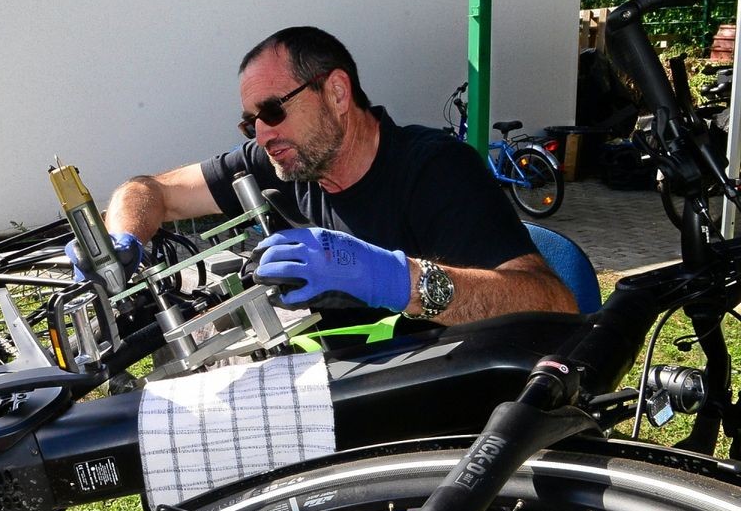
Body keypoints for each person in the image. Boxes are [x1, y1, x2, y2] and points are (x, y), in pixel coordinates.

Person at [71, 26, 576, 334]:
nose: (262, 133)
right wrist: (122, 241)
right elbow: (148, 190)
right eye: (251, 123)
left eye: (272, 110)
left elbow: (553, 303)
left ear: (336, 92)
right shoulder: (276, 163)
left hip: (446, 410)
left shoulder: (435, 169)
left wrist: (393, 279)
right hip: (346, 393)